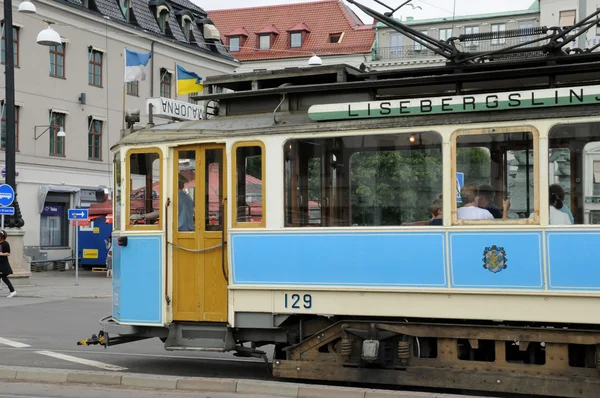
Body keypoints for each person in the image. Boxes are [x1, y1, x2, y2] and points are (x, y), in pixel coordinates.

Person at [0, 231, 16, 298]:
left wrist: (1, 254)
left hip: (3, 264)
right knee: (3, 277)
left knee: (4, 277)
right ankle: (13, 291)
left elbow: (8, 253)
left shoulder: (5, 244)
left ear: (2, 237)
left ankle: (13, 291)